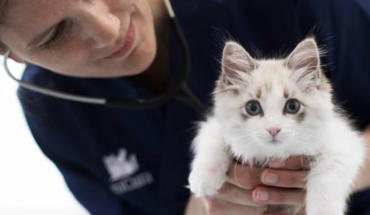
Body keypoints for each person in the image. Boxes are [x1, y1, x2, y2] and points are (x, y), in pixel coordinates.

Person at [1, 0, 370, 214]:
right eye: (55, 34)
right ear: (12, 52)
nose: (108, 29)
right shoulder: (52, 110)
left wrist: (334, 178)